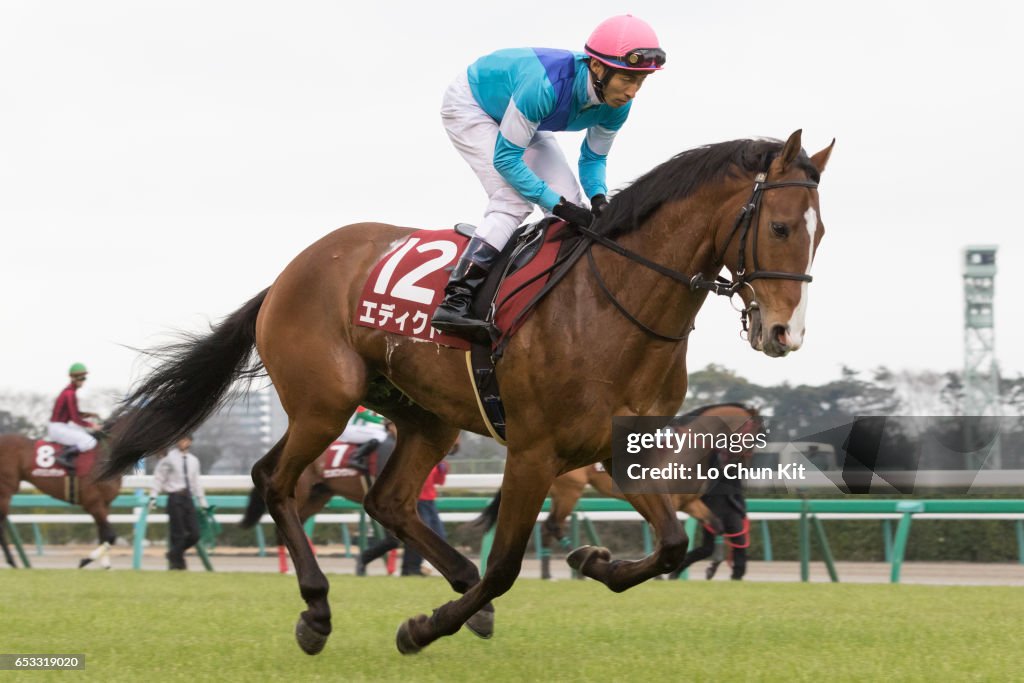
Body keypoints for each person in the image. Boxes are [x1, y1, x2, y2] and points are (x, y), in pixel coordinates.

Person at [431, 14, 666, 341]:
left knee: (576, 206)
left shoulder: (617, 106)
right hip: (474, 106)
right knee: (512, 201)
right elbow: (506, 159)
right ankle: (455, 301)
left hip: (523, 117)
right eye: (628, 78)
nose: (633, 91)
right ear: (598, 67)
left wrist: (599, 198)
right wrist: (556, 205)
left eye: (641, 80)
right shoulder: (545, 87)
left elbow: (594, 157)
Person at [356, 434, 452, 576]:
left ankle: (407, 567)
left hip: (429, 501)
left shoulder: (434, 457)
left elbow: (438, 481)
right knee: (415, 535)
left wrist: (442, 470)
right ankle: (409, 569)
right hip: (413, 500)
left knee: (439, 535)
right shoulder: (412, 455)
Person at [148, 435, 210, 570]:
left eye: (186, 440)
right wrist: (153, 496)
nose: (183, 442)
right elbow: (159, 478)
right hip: (175, 497)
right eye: (180, 440)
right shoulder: (169, 458)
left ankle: (173, 554)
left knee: (195, 534)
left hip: (188, 498)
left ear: (190, 442)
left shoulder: (194, 461)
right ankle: (178, 564)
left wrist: (202, 501)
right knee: (178, 534)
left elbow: (196, 482)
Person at [48, 362, 101, 471]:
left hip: (59, 426)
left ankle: (69, 456)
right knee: (90, 442)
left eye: (84, 378)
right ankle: (62, 456)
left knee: (84, 434)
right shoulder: (69, 394)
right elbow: (75, 419)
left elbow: (74, 413)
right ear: (73, 378)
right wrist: (92, 425)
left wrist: (90, 415)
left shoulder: (69, 392)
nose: (83, 381)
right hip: (57, 428)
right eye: (81, 378)